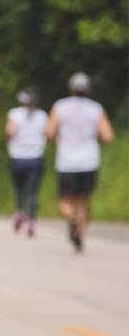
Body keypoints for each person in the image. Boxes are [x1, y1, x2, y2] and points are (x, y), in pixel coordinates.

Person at [46, 72, 114, 252]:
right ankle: (80, 236)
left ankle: (70, 219)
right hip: (89, 161)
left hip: (66, 161)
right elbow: (108, 136)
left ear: (70, 89)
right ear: (88, 90)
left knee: (65, 201)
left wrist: (59, 141)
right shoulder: (96, 109)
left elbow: (50, 133)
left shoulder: (60, 107)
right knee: (84, 201)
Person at [5, 88, 48, 237]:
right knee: (33, 192)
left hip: (18, 156)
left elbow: (10, 132)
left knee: (19, 188)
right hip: (36, 156)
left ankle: (19, 212)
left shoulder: (14, 114)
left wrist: (9, 145)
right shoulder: (43, 116)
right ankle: (31, 221)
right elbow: (48, 133)